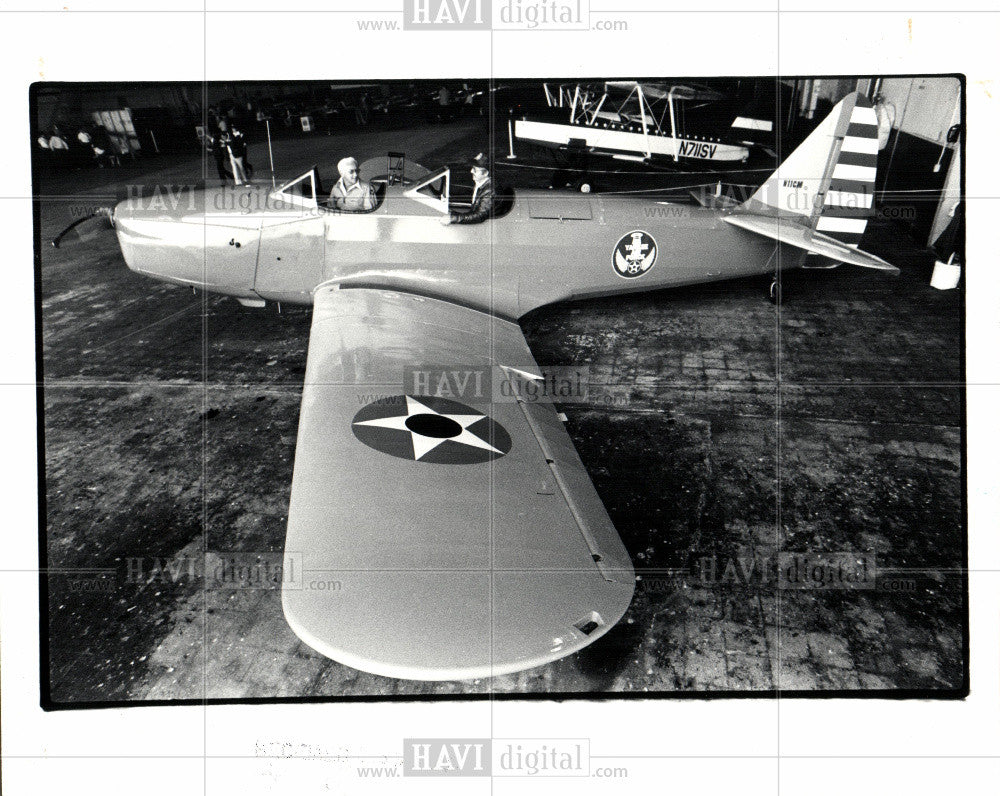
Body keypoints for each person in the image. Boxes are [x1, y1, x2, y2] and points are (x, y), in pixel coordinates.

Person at [441, 153, 494, 225]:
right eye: (472, 168)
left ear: (486, 173)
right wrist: (452, 212)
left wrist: (453, 218)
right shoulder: (480, 182)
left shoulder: (490, 191)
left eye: (475, 170)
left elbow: (479, 216)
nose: (471, 171)